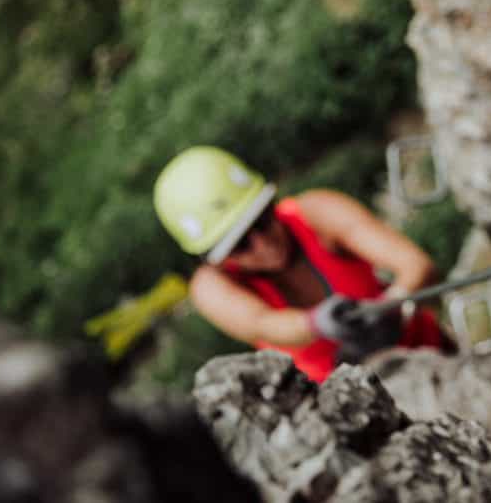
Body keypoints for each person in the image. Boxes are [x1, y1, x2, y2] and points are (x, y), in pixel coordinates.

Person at [153, 145, 446, 382]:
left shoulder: (316, 213)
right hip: (363, 412)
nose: (263, 244)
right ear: (211, 258)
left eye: (263, 220)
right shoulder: (212, 287)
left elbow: (414, 264)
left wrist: (392, 303)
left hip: (436, 360)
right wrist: (318, 323)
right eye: (240, 244)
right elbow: (261, 324)